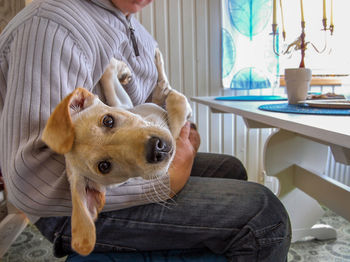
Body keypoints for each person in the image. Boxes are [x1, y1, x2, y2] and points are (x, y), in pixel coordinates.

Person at [0, 0, 291, 261]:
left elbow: (146, 103)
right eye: (109, 123)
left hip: (124, 168)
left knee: (230, 168)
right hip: (64, 211)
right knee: (265, 215)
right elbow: (29, 184)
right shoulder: (53, 25)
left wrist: (184, 131)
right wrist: (166, 181)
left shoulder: (135, 30)